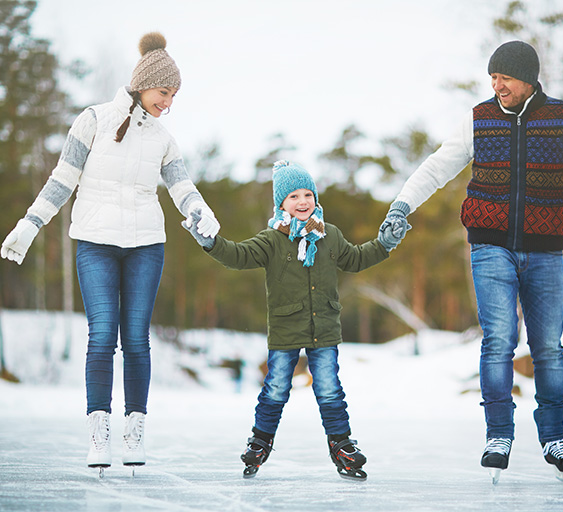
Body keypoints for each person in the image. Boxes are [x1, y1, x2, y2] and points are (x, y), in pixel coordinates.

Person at [380, 40, 563, 482]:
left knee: (547, 345)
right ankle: (498, 433)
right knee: (500, 337)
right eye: (492, 77)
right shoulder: (480, 119)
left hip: (546, 249)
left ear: (527, 78)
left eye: (504, 77)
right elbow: (437, 166)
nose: (496, 85)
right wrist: (400, 206)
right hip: (489, 245)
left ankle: (554, 437)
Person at [1, 33, 220, 473]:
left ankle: (134, 429)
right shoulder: (93, 121)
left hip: (145, 246)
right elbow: (62, 179)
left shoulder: (162, 137)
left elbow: (181, 185)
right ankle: (98, 434)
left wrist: (201, 211)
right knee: (102, 336)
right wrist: (30, 223)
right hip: (96, 243)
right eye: (164, 93)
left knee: (137, 340)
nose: (169, 103)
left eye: (175, 96)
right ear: (143, 84)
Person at [183, 159, 402, 480]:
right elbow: (238, 255)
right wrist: (210, 242)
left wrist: (385, 243)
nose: (302, 202)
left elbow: (356, 258)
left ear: (316, 198)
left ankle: (341, 444)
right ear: (281, 203)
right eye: (294, 197)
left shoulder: (330, 235)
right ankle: (260, 442)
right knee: (275, 389)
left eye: (307, 195)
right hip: (286, 329)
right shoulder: (272, 240)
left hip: (325, 327)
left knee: (329, 389)